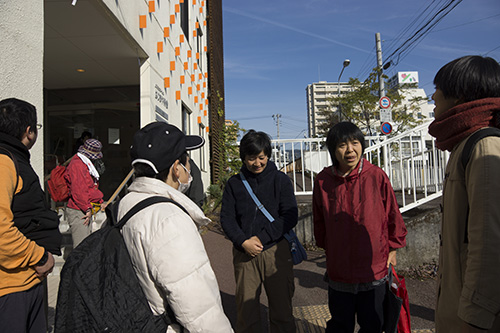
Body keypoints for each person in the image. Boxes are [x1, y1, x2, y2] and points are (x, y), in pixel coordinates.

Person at [119, 121, 233, 332]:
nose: (189, 167)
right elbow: (198, 308)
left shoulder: (127, 202)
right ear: (175, 168)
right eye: (187, 160)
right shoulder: (169, 219)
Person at [428, 55, 500, 332]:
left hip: (472, 318)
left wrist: (475, 315)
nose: (433, 95)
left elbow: (490, 239)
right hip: (459, 306)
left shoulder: (484, 145)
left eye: (439, 88)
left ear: (460, 94)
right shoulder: (463, 143)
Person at [313, 122, 407, 333]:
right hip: (340, 270)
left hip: (374, 269)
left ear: (362, 146)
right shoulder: (323, 181)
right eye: (342, 145)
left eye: (355, 143)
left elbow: (393, 214)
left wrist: (393, 249)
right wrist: (330, 249)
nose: (349, 150)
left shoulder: (376, 176)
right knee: (340, 324)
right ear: (332, 150)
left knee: (374, 324)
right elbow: (319, 223)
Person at [220, 130, 298, 333]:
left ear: (268, 155)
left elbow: (289, 216)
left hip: (276, 251)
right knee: (247, 314)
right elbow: (227, 219)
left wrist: (261, 238)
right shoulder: (234, 184)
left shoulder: (280, 180)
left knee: (282, 311)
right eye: (251, 158)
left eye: (261, 158)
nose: (257, 163)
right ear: (243, 158)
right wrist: (242, 241)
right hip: (244, 252)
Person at [0, 98, 62, 332]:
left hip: (25, 282)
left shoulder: (13, 159)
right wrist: (39, 257)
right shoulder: (4, 162)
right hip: (11, 289)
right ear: (29, 131)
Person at [65, 138, 105, 248]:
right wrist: (86, 208)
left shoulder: (84, 163)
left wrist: (99, 201)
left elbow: (90, 187)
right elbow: (79, 190)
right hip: (79, 210)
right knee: (80, 248)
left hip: (84, 208)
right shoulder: (77, 165)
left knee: (86, 246)